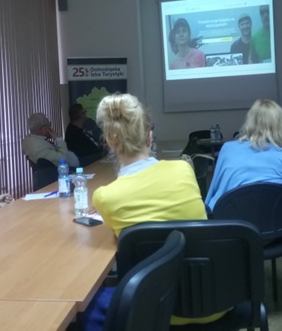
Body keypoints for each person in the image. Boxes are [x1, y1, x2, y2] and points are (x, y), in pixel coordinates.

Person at [79, 94, 214, 330]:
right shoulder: (183, 169)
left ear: (109, 140)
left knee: (86, 308)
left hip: (149, 313)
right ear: (150, 136)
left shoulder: (105, 197)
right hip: (212, 301)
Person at [205, 99, 282, 211]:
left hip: (227, 216)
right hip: (273, 218)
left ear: (250, 122)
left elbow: (215, 186)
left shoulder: (227, 148)